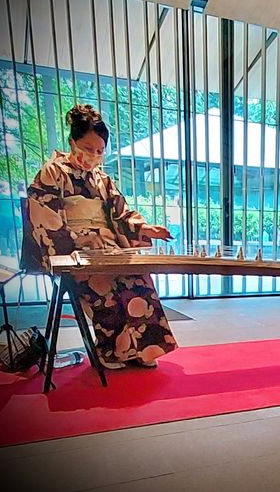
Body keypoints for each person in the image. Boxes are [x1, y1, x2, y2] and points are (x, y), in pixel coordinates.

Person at [26, 104, 177, 369]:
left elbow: (121, 213)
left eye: (99, 151)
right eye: (88, 148)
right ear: (72, 142)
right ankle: (109, 352)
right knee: (105, 291)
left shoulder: (102, 179)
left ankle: (140, 351)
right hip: (77, 252)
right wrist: (74, 251)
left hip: (109, 249)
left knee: (140, 283)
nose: (93, 156)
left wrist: (145, 229)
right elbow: (45, 218)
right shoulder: (52, 173)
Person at [0, 179, 18, 257]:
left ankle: (4, 252)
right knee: (12, 236)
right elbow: (19, 208)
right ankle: (13, 252)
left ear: (1, 187)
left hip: (2, 219)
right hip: (13, 218)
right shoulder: (14, 196)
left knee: (2, 235)